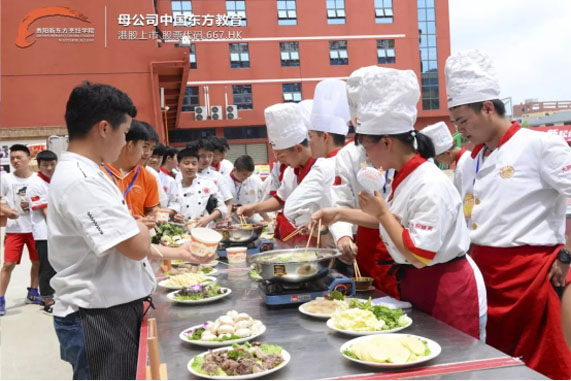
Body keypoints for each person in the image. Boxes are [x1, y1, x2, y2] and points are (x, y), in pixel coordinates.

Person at [48, 81, 214, 379]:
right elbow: (134, 245)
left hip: (106, 310)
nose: (125, 143)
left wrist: (171, 248)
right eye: (125, 133)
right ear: (103, 128)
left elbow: (130, 236)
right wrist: (138, 226)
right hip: (97, 316)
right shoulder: (82, 179)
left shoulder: (89, 172)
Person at [312, 66, 482, 339]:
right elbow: (394, 221)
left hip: (442, 287)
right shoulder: (405, 177)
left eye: (367, 148)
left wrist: (380, 212)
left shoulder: (428, 184)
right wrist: (339, 213)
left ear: (387, 142)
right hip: (418, 281)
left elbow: (419, 253)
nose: (367, 157)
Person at [446, 49, 571, 379]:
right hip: (483, 275)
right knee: (492, 361)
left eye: (463, 120)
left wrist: (568, 255)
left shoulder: (540, 146)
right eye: (455, 122)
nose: (460, 130)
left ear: (487, 107)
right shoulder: (467, 161)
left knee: (540, 361)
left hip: (531, 275)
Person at [238, 102, 334, 245]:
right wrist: (254, 208)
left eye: (281, 156)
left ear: (297, 148)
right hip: (297, 240)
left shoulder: (324, 167)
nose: (279, 162)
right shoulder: (291, 171)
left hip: (326, 239)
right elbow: (280, 199)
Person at [0, 144, 40, 316]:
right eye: (12, 158)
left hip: (36, 228)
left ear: (29, 158)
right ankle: (1, 299)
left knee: (37, 262)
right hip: (14, 229)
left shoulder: (38, 179)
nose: (15, 161)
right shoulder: (5, 179)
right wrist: (6, 211)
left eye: (19, 157)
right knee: (8, 265)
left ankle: (33, 292)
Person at [101, 120, 159, 229]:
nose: (145, 153)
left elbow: (151, 210)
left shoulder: (149, 177)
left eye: (152, 149)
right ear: (130, 145)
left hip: (137, 237)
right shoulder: (99, 174)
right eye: (144, 146)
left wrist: (148, 220)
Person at [420, 121, 476, 221]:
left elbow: (469, 198)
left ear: (447, 153)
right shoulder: (465, 159)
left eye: (437, 158)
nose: (438, 161)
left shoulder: (464, 165)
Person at [27, 150, 58, 315]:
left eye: (52, 164)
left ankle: (57, 296)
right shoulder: (35, 184)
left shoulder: (55, 181)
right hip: (44, 233)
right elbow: (45, 211)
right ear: (39, 166)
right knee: (47, 267)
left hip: (57, 233)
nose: (50, 168)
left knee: (58, 266)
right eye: (45, 165)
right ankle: (47, 300)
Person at [169, 147, 226, 227]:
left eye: (194, 164)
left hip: (205, 231)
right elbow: (170, 210)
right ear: (178, 165)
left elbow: (222, 208)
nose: (190, 167)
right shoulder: (173, 187)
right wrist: (174, 217)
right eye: (186, 163)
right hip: (183, 233)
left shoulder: (208, 184)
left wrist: (207, 219)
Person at [187, 139, 233, 221]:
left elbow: (227, 202)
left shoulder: (217, 176)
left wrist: (227, 217)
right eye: (202, 156)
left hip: (211, 224)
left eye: (210, 156)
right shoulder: (180, 176)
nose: (207, 160)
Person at [226, 155, 267, 224]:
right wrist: (234, 208)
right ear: (234, 170)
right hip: (234, 220)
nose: (246, 178)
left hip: (254, 218)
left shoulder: (255, 179)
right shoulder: (224, 181)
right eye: (244, 174)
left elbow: (262, 199)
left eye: (249, 175)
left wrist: (267, 218)